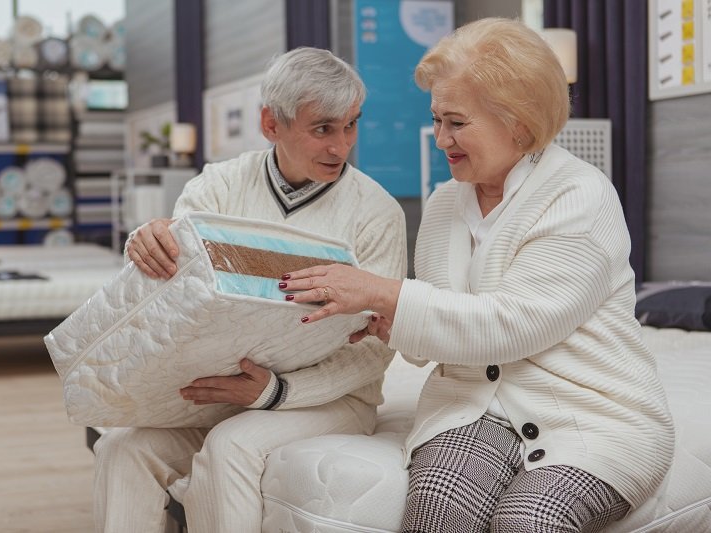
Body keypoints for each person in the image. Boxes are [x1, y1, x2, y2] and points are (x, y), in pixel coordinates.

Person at [279, 18, 674, 533]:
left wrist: (385, 292)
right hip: (470, 408)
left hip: (593, 416)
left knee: (528, 520)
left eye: (457, 123)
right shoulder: (444, 204)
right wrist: (388, 323)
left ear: (520, 123)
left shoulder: (580, 195)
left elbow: (515, 325)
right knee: (437, 508)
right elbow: (437, 337)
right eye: (436, 119)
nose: (440, 138)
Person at [92, 46, 407, 533]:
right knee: (121, 446)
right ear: (270, 124)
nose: (341, 146)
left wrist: (277, 391)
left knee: (230, 445)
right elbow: (176, 296)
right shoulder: (217, 186)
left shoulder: (378, 213)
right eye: (323, 128)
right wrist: (145, 242)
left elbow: (374, 352)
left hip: (332, 400)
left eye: (350, 126)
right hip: (225, 390)